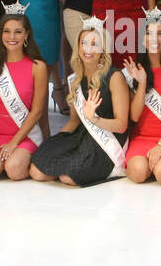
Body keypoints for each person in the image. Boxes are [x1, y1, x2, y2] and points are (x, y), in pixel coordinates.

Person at [30, 19, 131, 186]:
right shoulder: (76, 80)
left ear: (103, 49)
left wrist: (95, 119)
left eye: (94, 44)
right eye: (84, 43)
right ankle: (69, 164)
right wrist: (56, 142)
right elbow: (74, 121)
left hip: (108, 140)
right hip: (82, 136)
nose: (88, 49)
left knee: (68, 178)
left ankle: (108, 169)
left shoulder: (114, 77)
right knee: (36, 170)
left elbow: (121, 125)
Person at [0, 7, 49, 180]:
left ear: (26, 35)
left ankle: (24, 161)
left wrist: (14, 143)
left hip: (24, 136)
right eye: (6, 31)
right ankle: (4, 163)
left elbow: (37, 111)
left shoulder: (38, 67)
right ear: (0, 34)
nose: (12, 37)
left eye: (18, 32)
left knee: (14, 170)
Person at [122, 10, 161, 186]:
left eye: (160, 33)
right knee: (137, 173)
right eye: (148, 33)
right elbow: (134, 116)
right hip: (141, 137)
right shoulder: (134, 70)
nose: (154, 39)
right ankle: (153, 165)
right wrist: (142, 83)